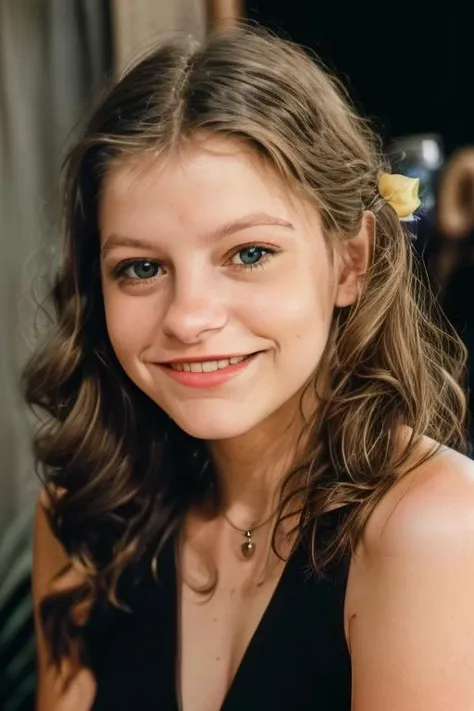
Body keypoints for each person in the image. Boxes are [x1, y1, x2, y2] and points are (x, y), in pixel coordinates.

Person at [25, 25, 474, 711]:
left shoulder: (435, 529)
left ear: (351, 261)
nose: (189, 316)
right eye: (141, 268)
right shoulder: (84, 514)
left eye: (249, 253)